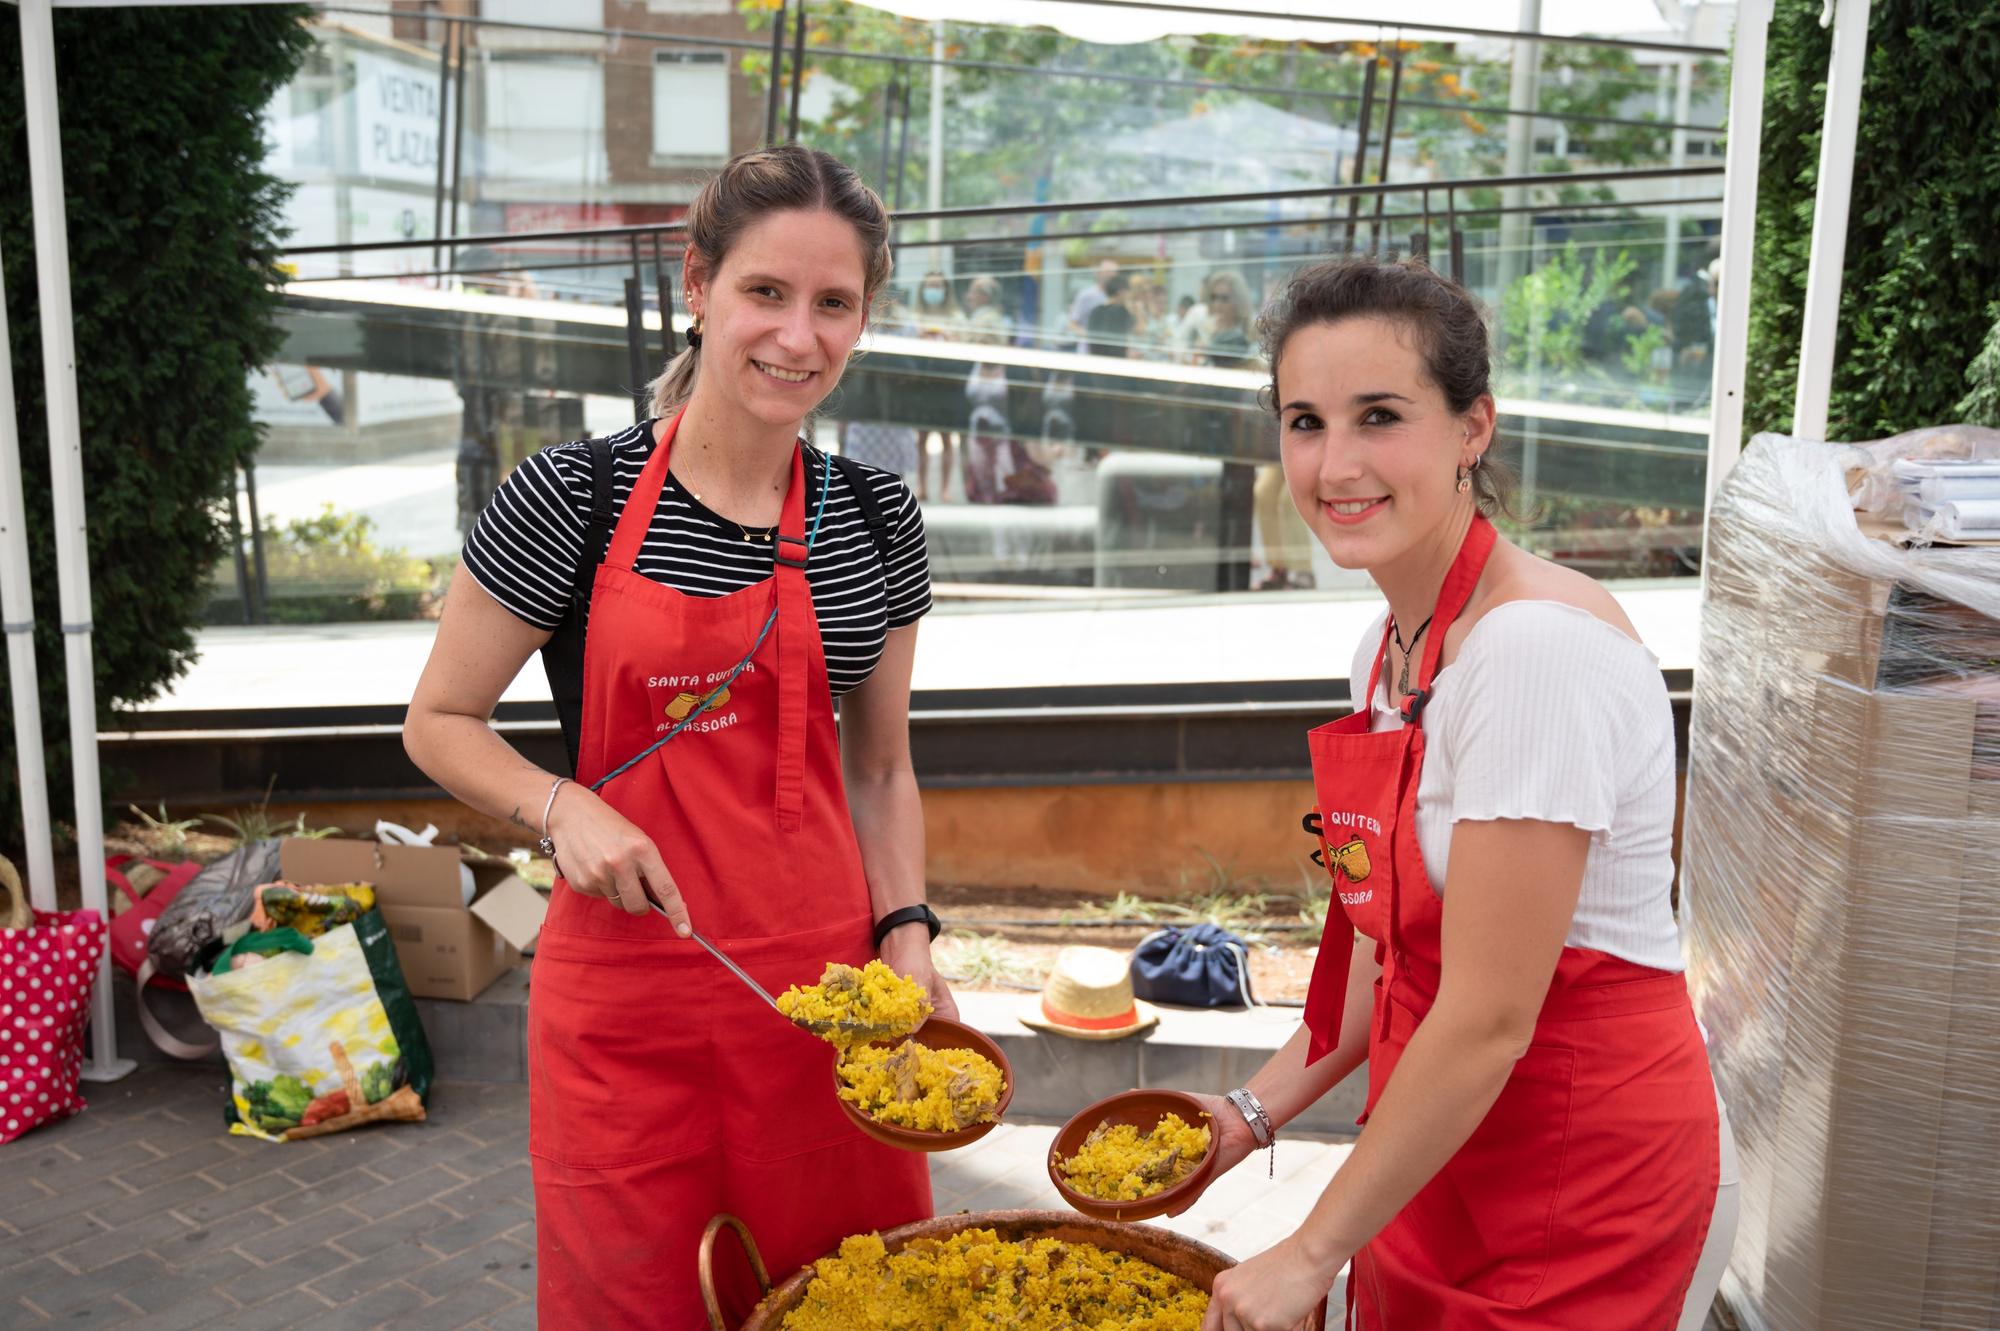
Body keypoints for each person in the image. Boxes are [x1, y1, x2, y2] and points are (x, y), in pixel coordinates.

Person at [402, 144, 951, 1329]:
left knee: (854, 1299)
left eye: (832, 303)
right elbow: (439, 722)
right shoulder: (571, 497)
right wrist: (561, 804)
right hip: (631, 1019)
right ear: (698, 285)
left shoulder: (876, 518)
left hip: (831, 1017)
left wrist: (907, 931)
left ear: (864, 316)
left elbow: (882, 766)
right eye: (765, 292)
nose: (797, 337)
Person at [1169, 258, 1732, 1330]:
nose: (1334, 462)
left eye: (1378, 416)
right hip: (1431, 1145)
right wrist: (1248, 1111)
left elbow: (1485, 1012)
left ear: (1471, 426)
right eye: (1304, 421)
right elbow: (1392, 951)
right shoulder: (1383, 649)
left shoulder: (1530, 651)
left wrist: (1307, 1247)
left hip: (1572, 1164)